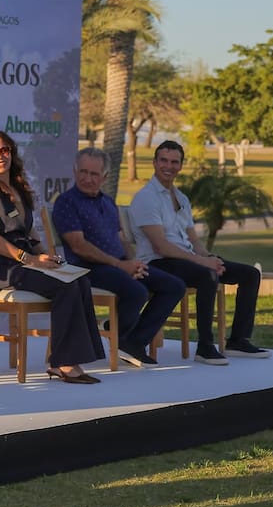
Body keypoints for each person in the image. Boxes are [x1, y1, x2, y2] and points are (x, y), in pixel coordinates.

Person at [0, 130, 105, 384]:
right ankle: (63, 363)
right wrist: (29, 259)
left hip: (27, 262)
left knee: (80, 281)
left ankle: (74, 358)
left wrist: (45, 256)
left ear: (12, 153)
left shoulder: (18, 188)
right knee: (66, 287)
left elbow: (28, 230)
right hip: (1, 268)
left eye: (5, 150)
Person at [128, 140, 270, 365]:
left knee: (250, 274)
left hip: (186, 260)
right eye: (163, 160)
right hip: (159, 262)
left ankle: (238, 340)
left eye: (175, 162)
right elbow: (160, 246)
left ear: (181, 166)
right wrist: (202, 264)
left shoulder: (181, 198)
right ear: (154, 163)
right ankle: (205, 346)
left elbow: (193, 240)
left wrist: (209, 258)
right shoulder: (146, 198)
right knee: (206, 275)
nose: (169, 166)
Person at [52, 147, 185, 368]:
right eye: (83, 172)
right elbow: (79, 245)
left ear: (104, 177)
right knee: (137, 292)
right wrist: (120, 265)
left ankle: (132, 341)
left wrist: (134, 263)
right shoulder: (67, 202)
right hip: (87, 269)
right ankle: (122, 336)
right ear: (74, 171)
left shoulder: (107, 202)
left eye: (94, 174)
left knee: (174, 286)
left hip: (118, 265)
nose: (87, 178)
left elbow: (120, 238)